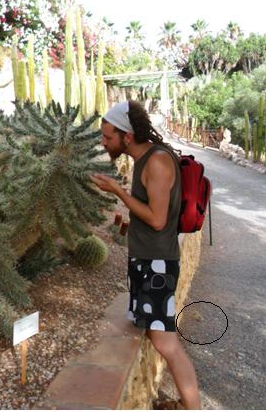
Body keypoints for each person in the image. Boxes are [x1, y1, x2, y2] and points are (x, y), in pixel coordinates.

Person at [90, 100, 201, 410]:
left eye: (108, 136)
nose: (104, 141)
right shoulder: (142, 158)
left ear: (127, 135)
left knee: (167, 343)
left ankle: (194, 407)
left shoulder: (156, 162)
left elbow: (157, 219)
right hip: (147, 260)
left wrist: (119, 193)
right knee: (158, 338)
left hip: (157, 265)